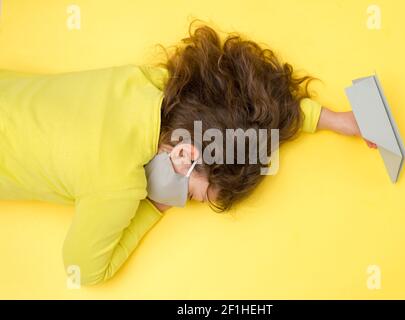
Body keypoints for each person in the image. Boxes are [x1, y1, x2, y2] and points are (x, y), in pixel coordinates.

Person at [0, 21, 376, 286]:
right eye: (192, 195)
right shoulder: (118, 187)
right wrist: (154, 206)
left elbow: (239, 109)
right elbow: (81, 270)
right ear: (185, 156)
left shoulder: (148, 85)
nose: (183, 203)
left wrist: (333, 120)